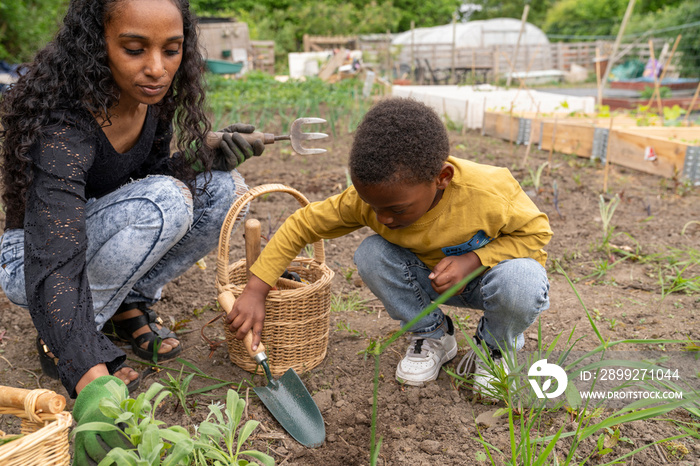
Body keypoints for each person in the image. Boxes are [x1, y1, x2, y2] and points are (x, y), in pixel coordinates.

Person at [0, 0, 263, 401]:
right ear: (95, 44)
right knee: (166, 201)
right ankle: (67, 341)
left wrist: (206, 157)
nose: (157, 68)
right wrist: (88, 375)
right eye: (135, 49)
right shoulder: (62, 125)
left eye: (171, 50)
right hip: (34, 260)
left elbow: (146, 178)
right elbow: (54, 255)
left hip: (102, 229)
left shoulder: (150, 99)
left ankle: (129, 305)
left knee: (228, 191)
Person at [225, 97, 552, 398]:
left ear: (442, 177)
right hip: (426, 283)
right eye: (371, 205)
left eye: (396, 209)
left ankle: (495, 346)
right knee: (371, 253)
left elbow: (536, 234)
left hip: (489, 283)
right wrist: (256, 289)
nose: (383, 218)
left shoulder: (489, 193)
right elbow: (301, 224)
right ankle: (432, 334)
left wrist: (474, 260)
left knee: (524, 279)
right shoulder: (372, 200)